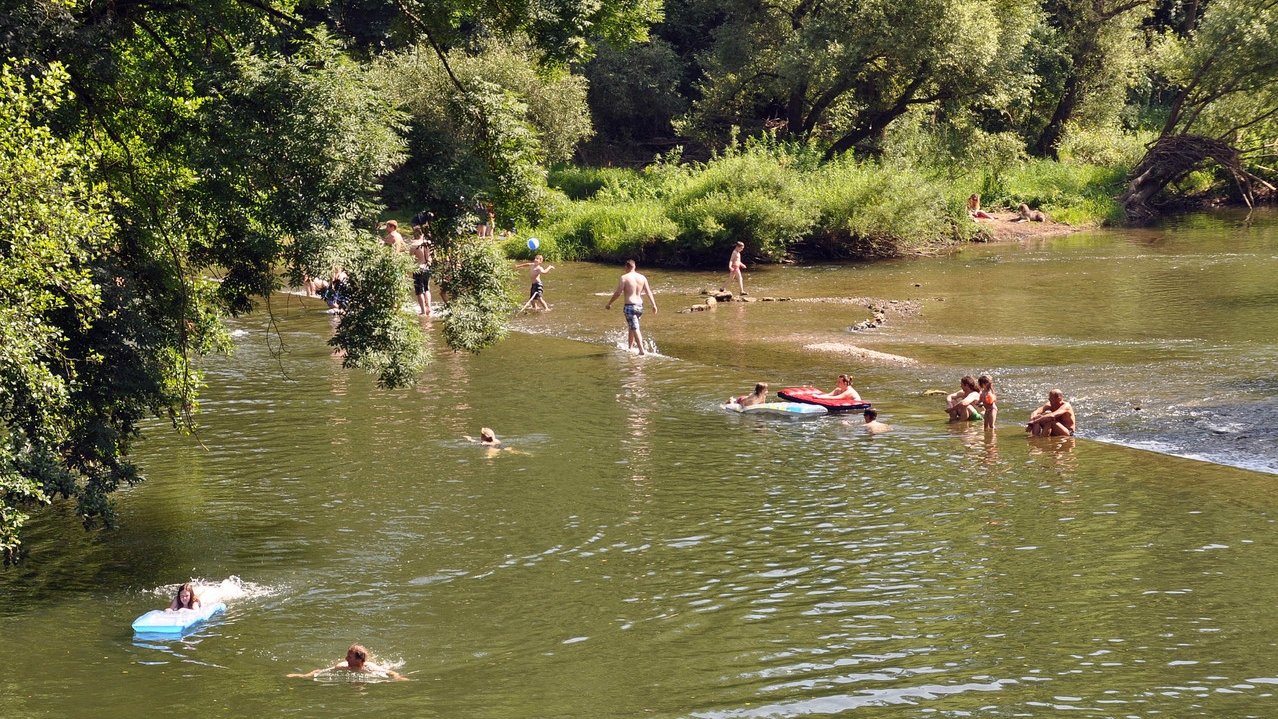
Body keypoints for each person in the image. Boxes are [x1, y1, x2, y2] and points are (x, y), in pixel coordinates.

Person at [605, 259, 658, 356]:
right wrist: (653, 305)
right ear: (635, 267)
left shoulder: (624, 277)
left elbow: (618, 292)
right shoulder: (642, 277)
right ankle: (630, 347)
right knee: (632, 326)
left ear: (626, 267)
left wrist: (609, 303)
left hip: (630, 306)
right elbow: (648, 292)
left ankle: (641, 350)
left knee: (635, 327)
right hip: (640, 306)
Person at [288, 644, 408, 681]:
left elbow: (390, 672)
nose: (346, 659)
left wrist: (399, 677)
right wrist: (303, 675)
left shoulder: (370, 667)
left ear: (359, 660)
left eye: (349, 657)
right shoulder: (342, 667)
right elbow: (320, 671)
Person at [410, 225, 433, 316]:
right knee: (427, 288)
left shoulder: (414, 245)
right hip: (427, 267)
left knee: (419, 290)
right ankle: (429, 308)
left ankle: (423, 311)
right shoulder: (428, 243)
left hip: (418, 268)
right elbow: (430, 256)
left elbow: (410, 259)